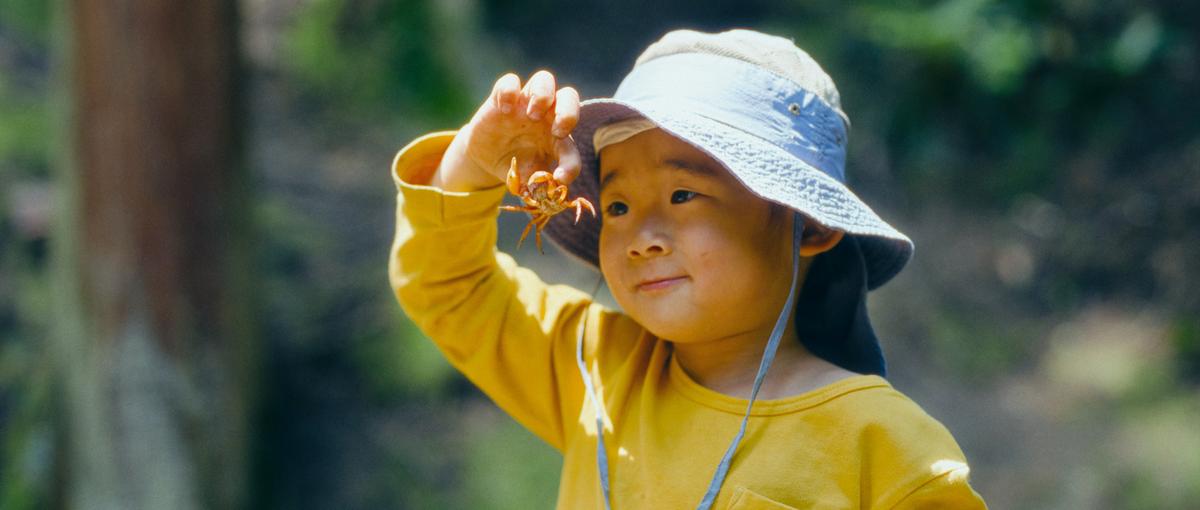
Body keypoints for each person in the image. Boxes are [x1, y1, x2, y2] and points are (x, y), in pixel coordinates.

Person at [388, 28, 987, 509]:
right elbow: (449, 288)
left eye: (682, 196)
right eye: (618, 206)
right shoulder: (595, 367)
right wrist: (469, 164)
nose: (642, 238)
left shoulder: (882, 449)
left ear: (809, 224)